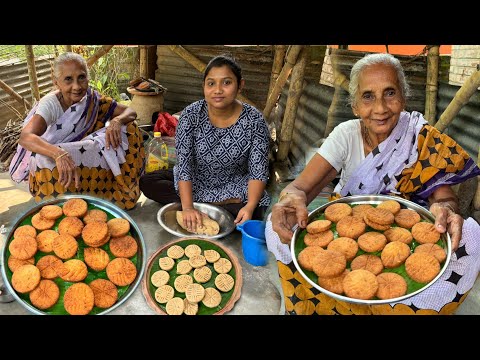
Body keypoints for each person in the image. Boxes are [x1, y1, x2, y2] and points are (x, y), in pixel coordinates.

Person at [267, 52, 480, 315]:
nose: (380, 108)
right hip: (346, 226)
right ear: (355, 105)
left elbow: (443, 196)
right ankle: (319, 306)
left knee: (471, 235)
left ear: (403, 96)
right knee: (275, 227)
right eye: (368, 96)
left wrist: (446, 209)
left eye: (390, 93)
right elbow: (300, 188)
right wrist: (290, 199)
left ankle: (411, 306)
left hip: (408, 233)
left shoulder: (421, 137)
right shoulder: (346, 134)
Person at [140, 54, 270, 228]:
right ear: (204, 87)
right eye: (211, 83)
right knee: (147, 182)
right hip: (196, 181)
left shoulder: (255, 121)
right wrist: (187, 208)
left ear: (240, 85)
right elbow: (184, 166)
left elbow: (258, 171)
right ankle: (214, 206)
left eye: (226, 82)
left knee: (255, 211)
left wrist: (249, 206)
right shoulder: (190, 115)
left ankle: (209, 206)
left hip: (234, 184)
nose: (218, 90)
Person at [9, 52, 145, 210]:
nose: (77, 86)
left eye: (81, 77)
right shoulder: (50, 105)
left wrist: (116, 121)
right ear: (56, 83)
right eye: (68, 79)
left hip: (78, 156)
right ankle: (59, 208)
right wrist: (58, 154)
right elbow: (26, 138)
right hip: (49, 162)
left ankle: (100, 195)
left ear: (88, 78)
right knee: (43, 159)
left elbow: (131, 112)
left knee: (129, 127)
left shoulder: (92, 99)